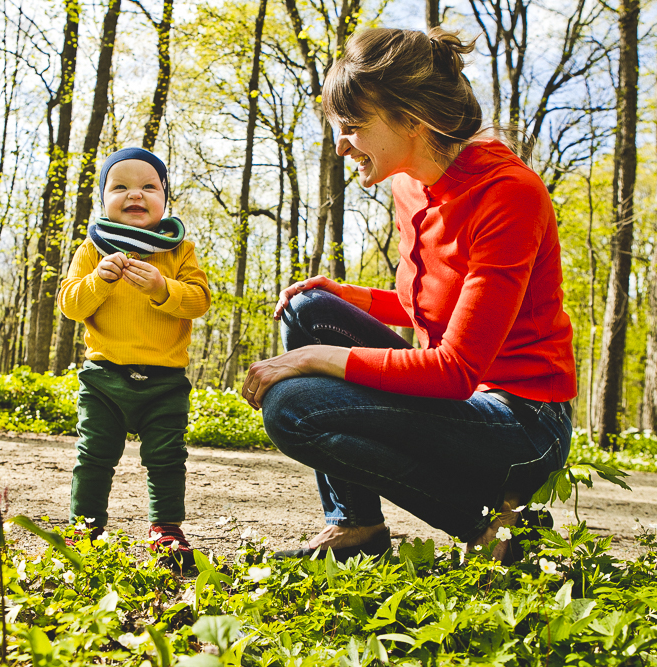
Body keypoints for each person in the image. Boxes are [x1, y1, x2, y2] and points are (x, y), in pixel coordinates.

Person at [241, 28, 576, 564]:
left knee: (292, 406)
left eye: (353, 128)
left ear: (413, 122)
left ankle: (495, 530)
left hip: (522, 422)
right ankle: (356, 527)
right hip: (458, 399)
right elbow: (437, 304)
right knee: (308, 310)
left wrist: (310, 359)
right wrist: (347, 296)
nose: (339, 145)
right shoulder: (408, 184)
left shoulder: (508, 195)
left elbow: (454, 369)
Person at [58, 147, 211, 570]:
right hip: (103, 376)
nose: (135, 194)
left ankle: (165, 529)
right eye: (120, 186)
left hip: (165, 380)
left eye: (148, 186)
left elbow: (199, 301)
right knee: (94, 455)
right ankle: (84, 529)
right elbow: (70, 304)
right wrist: (98, 281)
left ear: (164, 197)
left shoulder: (178, 250)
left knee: (166, 457)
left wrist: (164, 287)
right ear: (103, 198)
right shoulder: (93, 249)